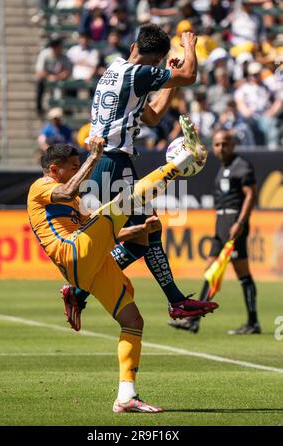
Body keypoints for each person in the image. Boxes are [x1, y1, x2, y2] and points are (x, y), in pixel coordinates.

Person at [27, 136, 217, 413]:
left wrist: (139, 231)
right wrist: (94, 157)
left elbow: (103, 231)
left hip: (87, 264)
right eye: (73, 166)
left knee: (133, 320)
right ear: (54, 169)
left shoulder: (74, 199)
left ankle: (126, 396)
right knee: (125, 199)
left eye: (81, 164)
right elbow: (68, 195)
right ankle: (179, 164)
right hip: (71, 251)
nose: (82, 170)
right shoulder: (42, 186)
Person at [84, 23, 206, 322]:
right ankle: (79, 289)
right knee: (146, 228)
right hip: (114, 161)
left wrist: (169, 80)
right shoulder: (140, 74)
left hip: (106, 161)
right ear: (154, 61)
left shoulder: (116, 68)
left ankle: (175, 300)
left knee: (146, 234)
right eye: (158, 64)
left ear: (132, 48)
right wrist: (189, 45)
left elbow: (150, 116)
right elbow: (190, 75)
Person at [169, 130, 261, 335]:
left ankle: (253, 322)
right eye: (217, 144)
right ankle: (193, 320)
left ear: (233, 145)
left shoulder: (241, 166)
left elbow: (251, 195)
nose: (221, 148)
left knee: (242, 274)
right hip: (221, 225)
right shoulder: (223, 168)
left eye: (225, 144)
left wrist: (239, 222)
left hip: (233, 224)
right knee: (211, 270)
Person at [35, 38, 73, 115]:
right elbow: (39, 71)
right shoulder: (44, 54)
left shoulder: (64, 56)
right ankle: (39, 107)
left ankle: (68, 108)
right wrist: (49, 76)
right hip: (46, 78)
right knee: (40, 82)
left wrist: (58, 77)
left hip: (60, 79)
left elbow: (68, 72)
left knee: (70, 84)